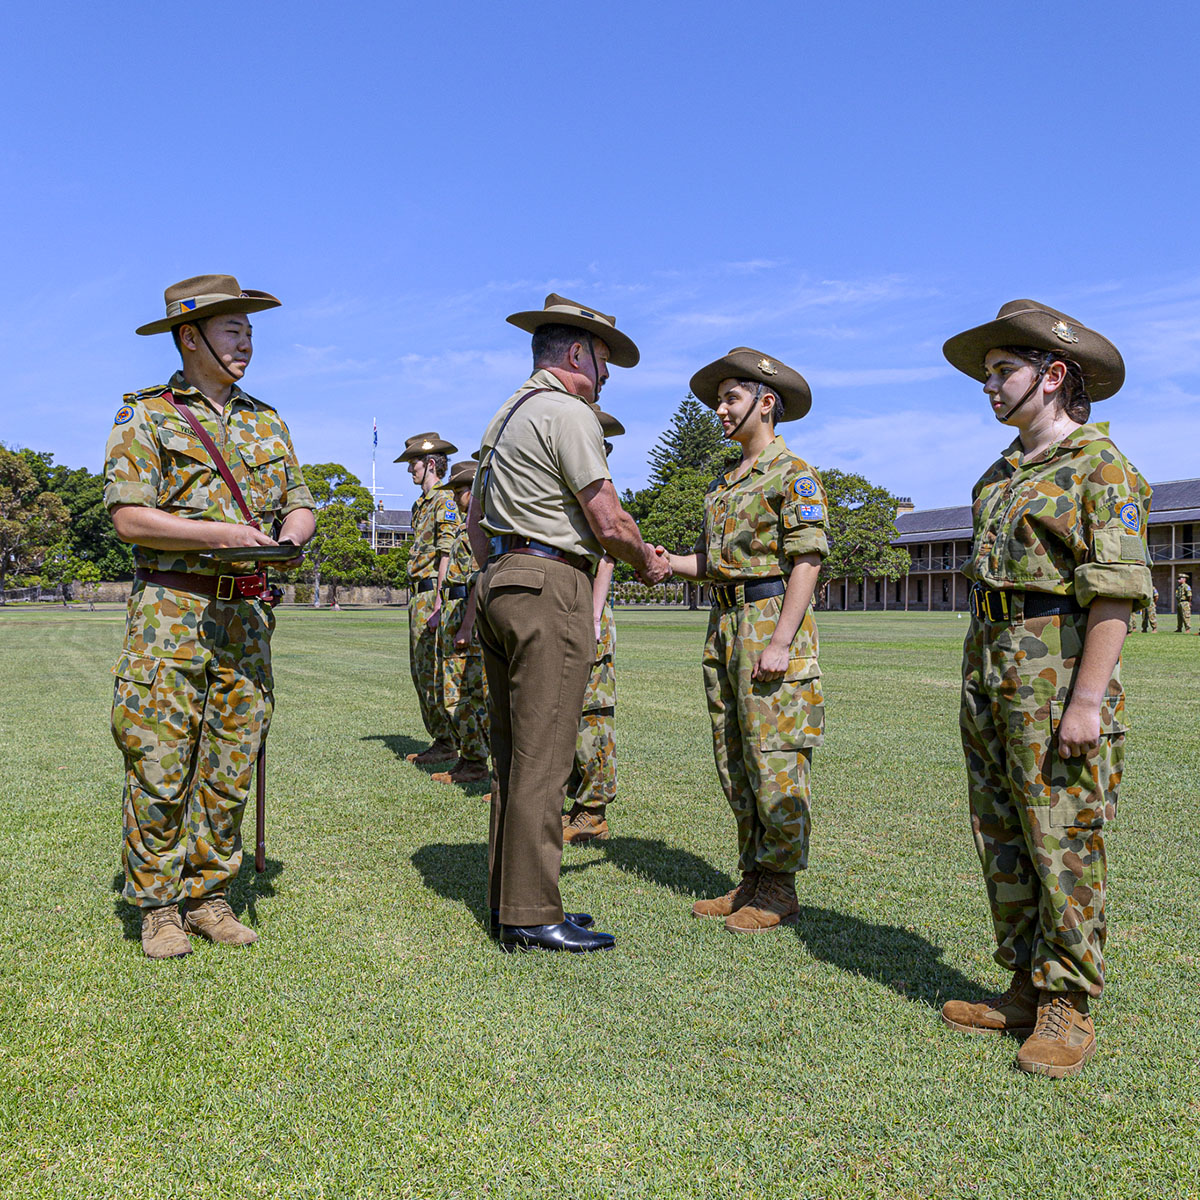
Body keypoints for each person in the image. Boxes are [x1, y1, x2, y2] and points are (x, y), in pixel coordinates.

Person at [938, 300, 1152, 1078]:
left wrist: (1088, 700)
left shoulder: (1104, 467)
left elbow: (1116, 593)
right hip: (990, 664)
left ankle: (1069, 1002)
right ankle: (1025, 985)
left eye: (1004, 372)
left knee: (1063, 832)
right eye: (988, 374)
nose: (989, 387)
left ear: (1054, 375)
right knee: (1001, 829)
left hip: (1057, 669)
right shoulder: (997, 476)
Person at [106, 274, 316, 959]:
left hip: (245, 616)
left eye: (250, 331)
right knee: (162, 764)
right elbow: (128, 517)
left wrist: (294, 534)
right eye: (234, 330)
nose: (246, 342)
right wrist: (218, 536)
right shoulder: (148, 414)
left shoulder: (266, 419)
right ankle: (160, 908)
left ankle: (209, 897)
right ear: (190, 337)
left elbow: (299, 499)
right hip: (174, 609)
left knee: (230, 760)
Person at [467, 294, 671, 952]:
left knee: (513, 756)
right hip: (550, 581)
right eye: (605, 359)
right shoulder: (568, 411)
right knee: (545, 758)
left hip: (502, 577)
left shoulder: (506, 416)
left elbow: (475, 523)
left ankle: (515, 899)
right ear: (578, 352)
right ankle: (531, 915)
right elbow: (607, 519)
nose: (608, 374)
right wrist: (646, 560)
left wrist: (494, 577)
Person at [658, 349, 827, 934]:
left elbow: (806, 560)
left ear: (766, 401)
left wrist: (781, 641)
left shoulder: (792, 473)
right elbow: (714, 562)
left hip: (768, 620)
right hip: (725, 622)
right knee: (734, 756)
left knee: (774, 758)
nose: (721, 410)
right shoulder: (722, 484)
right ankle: (752, 877)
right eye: (719, 400)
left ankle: (780, 887)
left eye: (730, 397)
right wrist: (668, 563)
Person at [563, 408, 624, 845]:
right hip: (571, 608)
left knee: (592, 716)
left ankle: (593, 811)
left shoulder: (600, 489)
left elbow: (607, 554)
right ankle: (576, 801)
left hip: (589, 611)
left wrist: (594, 616)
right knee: (569, 712)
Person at [395, 432, 459, 764]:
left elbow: (447, 552)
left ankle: (448, 740)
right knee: (421, 670)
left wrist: (438, 601)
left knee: (433, 669)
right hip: (417, 595)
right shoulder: (420, 504)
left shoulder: (444, 502)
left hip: (431, 593)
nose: (410, 470)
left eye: (413, 463)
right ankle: (442, 738)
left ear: (430, 463)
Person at [430, 460, 490, 787]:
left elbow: (479, 579)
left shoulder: (479, 528)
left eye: (461, 491)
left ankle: (475, 761)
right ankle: (468, 757)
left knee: (469, 695)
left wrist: (467, 625)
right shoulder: (463, 527)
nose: (455, 498)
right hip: (454, 608)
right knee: (452, 693)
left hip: (468, 611)